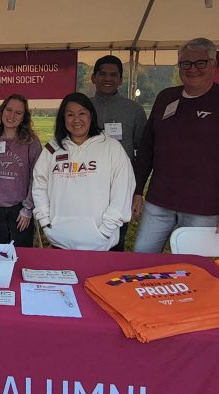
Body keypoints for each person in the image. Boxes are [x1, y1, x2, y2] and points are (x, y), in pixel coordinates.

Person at [132, 37, 219, 253]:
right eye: (185, 63)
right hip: (159, 202)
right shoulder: (166, 98)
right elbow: (146, 149)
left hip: (204, 208)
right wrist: (137, 189)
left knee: (192, 269)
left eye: (200, 63)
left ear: (214, 64)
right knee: (141, 256)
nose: (192, 69)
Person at [32, 92, 134, 251]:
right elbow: (39, 184)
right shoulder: (52, 149)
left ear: (91, 116)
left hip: (101, 244)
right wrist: (46, 223)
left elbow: (123, 190)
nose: (76, 120)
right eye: (70, 114)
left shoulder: (111, 147)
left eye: (82, 113)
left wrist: (105, 231)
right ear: (63, 118)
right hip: (60, 241)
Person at [89, 55, 147, 251]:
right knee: (86, 239)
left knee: (115, 242)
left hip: (121, 188)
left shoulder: (134, 110)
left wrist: (137, 191)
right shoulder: (82, 108)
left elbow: (143, 154)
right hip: (87, 185)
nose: (108, 78)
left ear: (121, 80)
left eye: (114, 75)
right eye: (103, 74)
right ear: (93, 77)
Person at [0, 94, 41, 247]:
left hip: (19, 210)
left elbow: (37, 177)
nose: (12, 116)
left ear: (24, 117)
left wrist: (28, 208)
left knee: (21, 254)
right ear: (2, 111)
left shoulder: (31, 142)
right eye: (8, 110)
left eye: (18, 113)